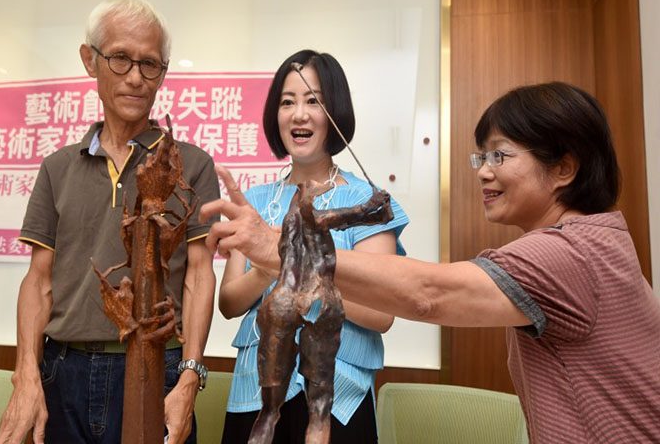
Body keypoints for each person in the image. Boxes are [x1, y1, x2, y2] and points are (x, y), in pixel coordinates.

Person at [201, 81, 660, 443]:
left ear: (563, 168)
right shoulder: (589, 242)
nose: (483, 171)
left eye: (499, 155)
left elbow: (427, 294)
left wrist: (281, 251)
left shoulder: (568, 254)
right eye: (481, 156)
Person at [0, 0, 220, 444]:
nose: (135, 77)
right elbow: (38, 281)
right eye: (120, 58)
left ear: (162, 73)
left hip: (158, 365)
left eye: (149, 64)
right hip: (63, 371)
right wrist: (27, 377)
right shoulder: (57, 168)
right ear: (90, 60)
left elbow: (199, 274)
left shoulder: (190, 165)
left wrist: (189, 377)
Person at [217, 49, 409, 443]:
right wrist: (267, 269)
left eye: (313, 101)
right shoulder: (255, 201)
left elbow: (381, 313)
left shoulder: (366, 201)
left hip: (339, 399)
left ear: (335, 110)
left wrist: (302, 278)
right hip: (255, 392)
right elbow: (229, 303)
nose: (299, 114)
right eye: (287, 102)